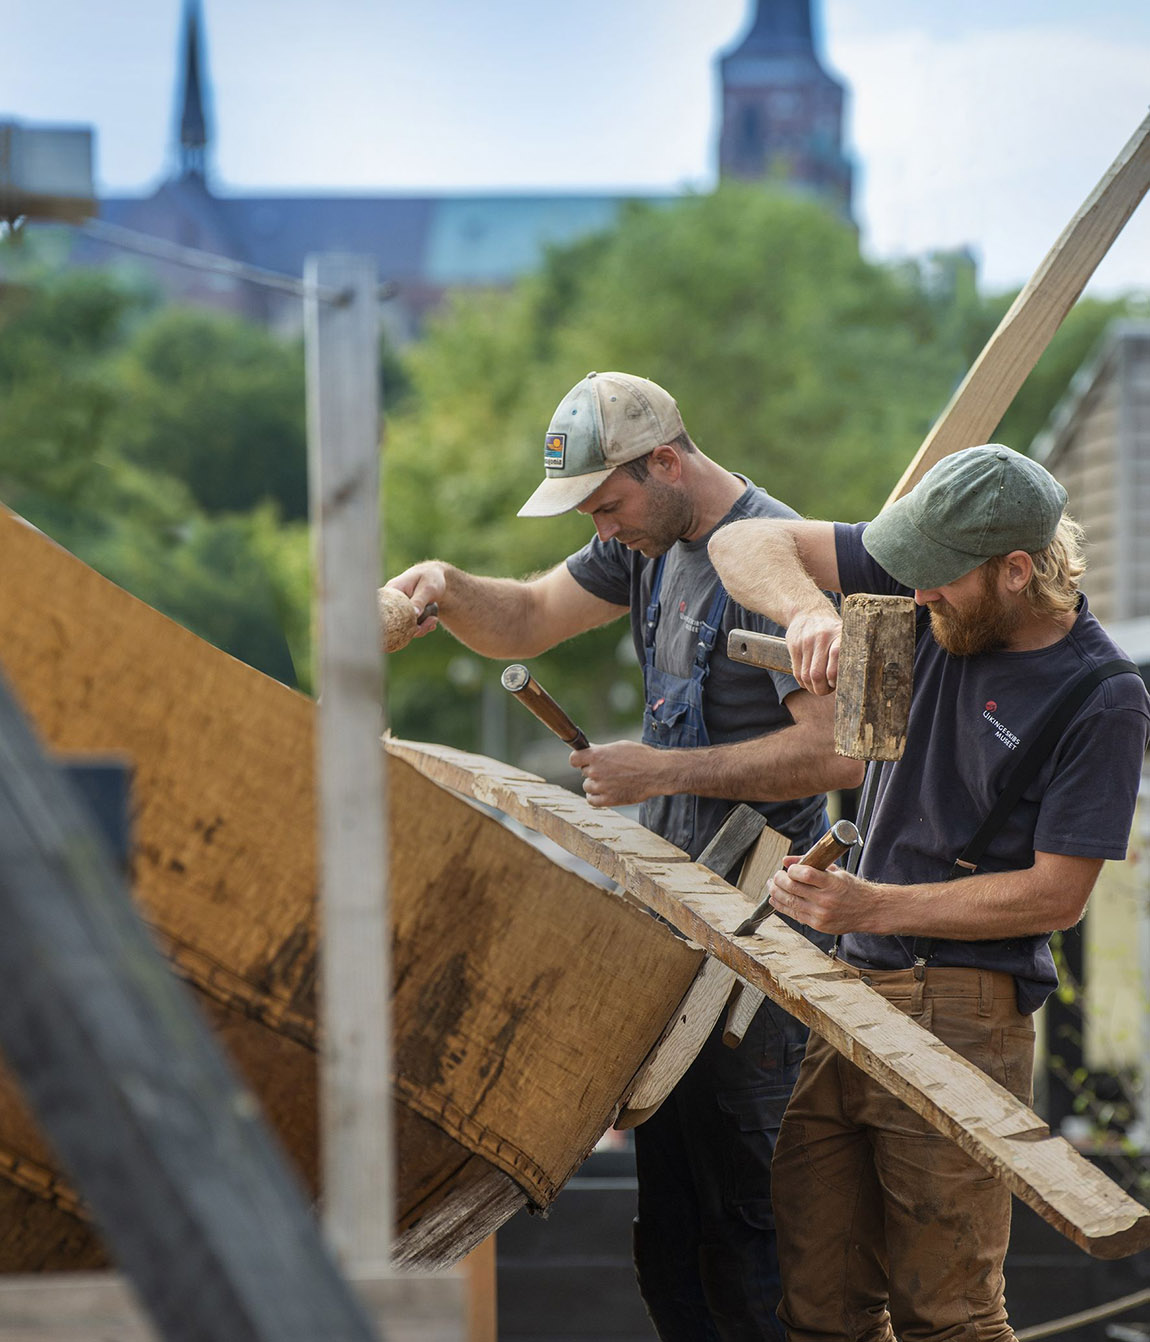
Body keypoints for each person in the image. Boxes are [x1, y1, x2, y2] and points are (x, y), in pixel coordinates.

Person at [387, 370, 862, 1341]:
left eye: (609, 504)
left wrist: (664, 773)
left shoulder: (766, 565)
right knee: (673, 1238)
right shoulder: (645, 541)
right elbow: (523, 618)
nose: (601, 529)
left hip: (758, 952)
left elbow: (832, 749)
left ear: (668, 460)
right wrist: (443, 584)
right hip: (673, 939)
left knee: (754, 1230)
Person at [708, 443, 1150, 1342]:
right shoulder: (939, 568)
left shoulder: (1102, 696)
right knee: (821, 1308)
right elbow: (743, 542)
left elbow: (1055, 897)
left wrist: (875, 906)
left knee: (947, 1314)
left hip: (964, 1009)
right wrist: (807, 615)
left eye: (939, 584)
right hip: (849, 990)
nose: (915, 598)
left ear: (1016, 571)